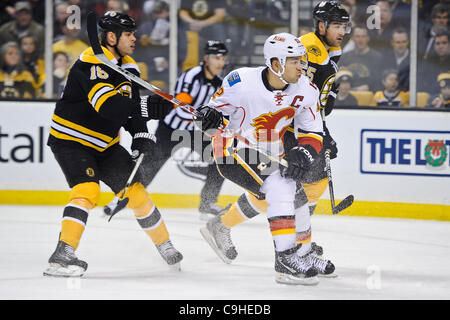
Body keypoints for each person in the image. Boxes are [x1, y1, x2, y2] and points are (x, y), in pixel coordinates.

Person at [199, 0, 349, 270]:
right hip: (233, 149)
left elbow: (313, 124)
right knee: (283, 187)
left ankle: (300, 253)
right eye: (294, 62)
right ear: (276, 63)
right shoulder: (241, 81)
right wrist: (210, 116)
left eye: (300, 61)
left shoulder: (303, 86)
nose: (301, 67)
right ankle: (286, 259)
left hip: (270, 148)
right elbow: (213, 115)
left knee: (296, 193)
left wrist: (307, 149)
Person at [43, 11, 184, 278]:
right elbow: (110, 108)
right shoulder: (91, 64)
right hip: (72, 141)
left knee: (137, 194)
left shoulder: (127, 65)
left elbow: (132, 111)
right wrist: (146, 105)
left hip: (105, 144)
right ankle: (63, 254)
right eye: (129, 34)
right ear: (111, 37)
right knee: (87, 189)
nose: (134, 38)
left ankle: (165, 245)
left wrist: (142, 135)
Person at [104, 40, 229, 218]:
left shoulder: (220, 84)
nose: (220, 63)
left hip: (195, 133)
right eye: (216, 58)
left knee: (221, 160)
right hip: (171, 130)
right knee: (149, 167)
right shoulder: (191, 76)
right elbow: (178, 107)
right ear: (206, 58)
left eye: (223, 58)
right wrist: (199, 118)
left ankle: (207, 203)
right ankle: (121, 198)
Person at [340, 25, 383, 92]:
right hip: (347, 95)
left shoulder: (377, 58)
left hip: (368, 96)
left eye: (363, 36)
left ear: (368, 38)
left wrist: (369, 87)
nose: (360, 40)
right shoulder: (344, 57)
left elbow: (380, 81)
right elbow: (339, 78)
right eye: (357, 36)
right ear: (353, 38)